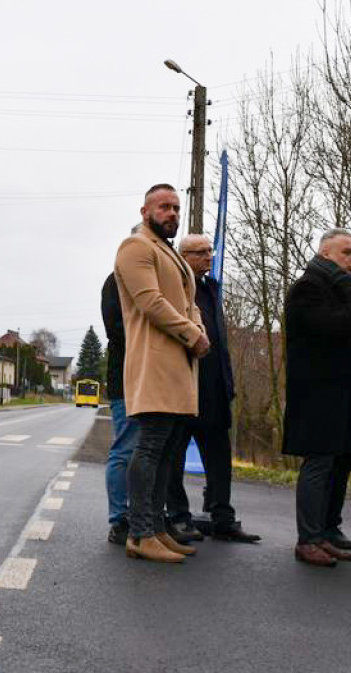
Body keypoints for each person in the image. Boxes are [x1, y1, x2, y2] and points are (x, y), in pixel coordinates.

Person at [114, 183, 209, 564]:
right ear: (145, 211)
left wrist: (199, 329)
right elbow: (150, 301)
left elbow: (189, 303)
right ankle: (139, 533)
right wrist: (191, 333)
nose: (172, 213)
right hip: (155, 361)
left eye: (176, 207)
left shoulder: (171, 254)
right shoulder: (135, 247)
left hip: (180, 362)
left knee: (168, 451)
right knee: (151, 447)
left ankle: (155, 529)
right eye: (164, 207)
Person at [283, 228, 351, 567]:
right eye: (346, 253)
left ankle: (325, 532)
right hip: (317, 393)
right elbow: (332, 328)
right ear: (326, 254)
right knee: (319, 463)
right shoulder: (308, 288)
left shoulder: (344, 290)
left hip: (345, 392)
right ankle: (307, 539)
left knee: (342, 460)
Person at [166, 234, 260, 544]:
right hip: (185, 388)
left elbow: (218, 342)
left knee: (220, 459)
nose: (209, 257)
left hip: (216, 390)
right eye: (201, 252)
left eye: (210, 251)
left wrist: (229, 382)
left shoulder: (211, 288)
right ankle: (178, 518)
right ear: (183, 256)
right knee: (175, 458)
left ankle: (223, 518)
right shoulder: (175, 287)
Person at [102, 269, 139, 545]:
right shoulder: (117, 281)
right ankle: (119, 520)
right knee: (124, 449)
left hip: (150, 378)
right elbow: (118, 330)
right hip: (126, 379)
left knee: (145, 450)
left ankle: (142, 516)